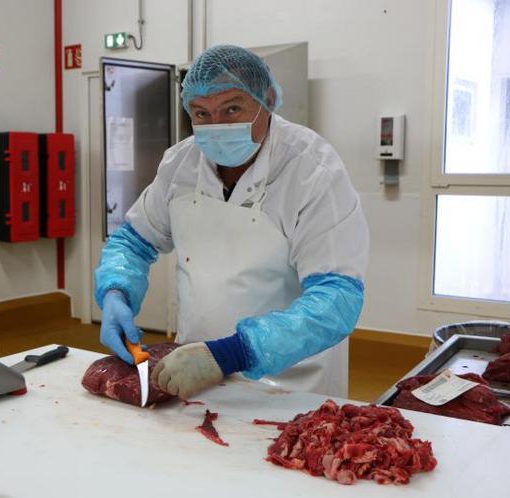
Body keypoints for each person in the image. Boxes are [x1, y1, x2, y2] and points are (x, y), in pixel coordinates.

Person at [95, 44, 369, 400]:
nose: (216, 126)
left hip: (291, 386)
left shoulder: (312, 171)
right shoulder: (180, 165)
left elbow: (337, 299)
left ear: (268, 99)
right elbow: (133, 242)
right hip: (191, 372)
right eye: (201, 114)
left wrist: (232, 354)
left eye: (232, 109)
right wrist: (116, 292)